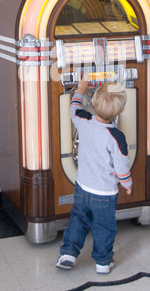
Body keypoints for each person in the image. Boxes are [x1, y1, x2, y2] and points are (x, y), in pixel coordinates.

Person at [56, 77, 133, 274]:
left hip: (82, 186)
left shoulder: (84, 121)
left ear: (93, 102)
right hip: (104, 193)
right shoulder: (116, 137)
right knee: (104, 227)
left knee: (78, 219)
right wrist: (127, 184)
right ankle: (102, 262)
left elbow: (73, 108)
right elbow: (122, 167)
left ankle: (68, 254)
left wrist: (81, 89)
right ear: (121, 111)